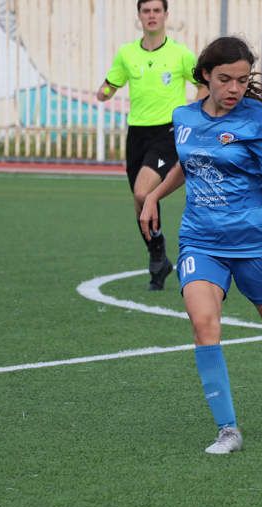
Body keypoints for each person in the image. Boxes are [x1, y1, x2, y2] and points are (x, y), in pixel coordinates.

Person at [139, 36, 262, 455]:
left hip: (255, 244)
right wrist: (152, 196)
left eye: (242, 80)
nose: (234, 89)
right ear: (205, 75)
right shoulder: (184, 117)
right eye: (225, 79)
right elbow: (188, 167)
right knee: (204, 323)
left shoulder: (257, 120)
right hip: (200, 241)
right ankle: (228, 430)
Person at [95, 0, 204, 290]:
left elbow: (203, 84)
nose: (152, 16)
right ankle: (158, 258)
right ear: (139, 16)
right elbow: (111, 84)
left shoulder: (180, 54)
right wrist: (105, 91)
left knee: (145, 191)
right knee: (138, 199)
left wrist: (196, 113)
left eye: (157, 11)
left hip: (168, 132)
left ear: (166, 15)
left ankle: (160, 250)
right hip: (137, 133)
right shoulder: (127, 54)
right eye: (146, 11)